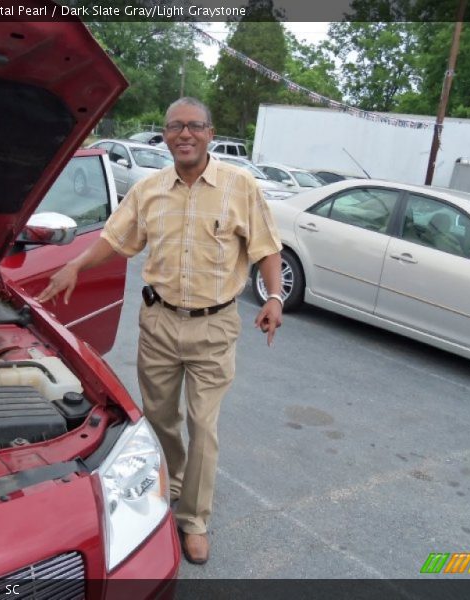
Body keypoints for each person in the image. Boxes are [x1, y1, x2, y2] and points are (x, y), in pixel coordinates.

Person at [36, 97, 283, 564]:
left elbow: (267, 247)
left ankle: (194, 519)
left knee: (203, 425)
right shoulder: (148, 190)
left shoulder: (240, 187)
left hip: (214, 326)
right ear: (165, 135)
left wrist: (274, 296)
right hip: (159, 324)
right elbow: (114, 239)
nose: (184, 134)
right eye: (174, 126)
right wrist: (75, 266)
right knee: (160, 418)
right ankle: (173, 484)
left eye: (194, 126)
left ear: (210, 134)